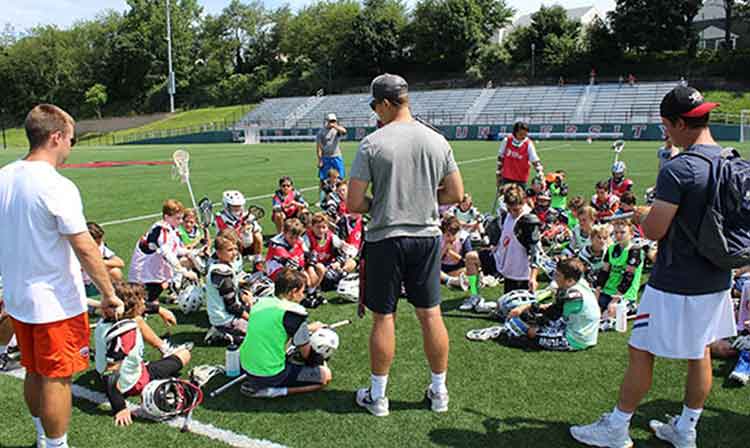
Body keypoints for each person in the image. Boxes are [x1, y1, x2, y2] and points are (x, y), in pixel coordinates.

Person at [570, 86, 736, 448]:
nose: (665, 132)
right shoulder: (729, 159)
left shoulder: (680, 170)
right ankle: (686, 429)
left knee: (641, 350)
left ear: (678, 123)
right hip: (717, 276)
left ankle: (617, 427)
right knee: (700, 352)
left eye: (666, 125)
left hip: (676, 279)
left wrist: (646, 215)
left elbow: (656, 229)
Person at [0, 104, 123, 448]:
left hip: (18, 297)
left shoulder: (4, 175)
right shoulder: (57, 185)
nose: (71, 147)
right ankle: (55, 445)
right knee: (57, 377)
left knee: (34, 370)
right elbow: (85, 247)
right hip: (54, 303)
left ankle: (43, 437)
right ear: (56, 137)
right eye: (70, 139)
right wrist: (109, 294)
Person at [348, 73, 464, 416]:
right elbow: (455, 194)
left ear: (385, 103)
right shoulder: (437, 141)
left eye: (374, 106)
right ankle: (439, 392)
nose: (374, 113)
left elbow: (354, 202)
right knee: (431, 315)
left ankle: (378, 396)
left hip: (386, 238)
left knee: (384, 318)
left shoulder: (373, 143)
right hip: (426, 238)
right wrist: (424, 198)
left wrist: (382, 203)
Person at [94, 282, 191, 427]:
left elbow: (137, 314)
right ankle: (166, 352)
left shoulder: (106, 320)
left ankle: (164, 349)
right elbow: (111, 372)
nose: (144, 303)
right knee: (185, 354)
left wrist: (159, 309)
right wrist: (120, 407)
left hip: (101, 376)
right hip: (132, 383)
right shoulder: (125, 332)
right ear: (133, 306)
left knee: (138, 320)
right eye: (141, 300)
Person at [238, 268, 332, 398]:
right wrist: (320, 360)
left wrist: (308, 328)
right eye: (302, 291)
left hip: (244, 365)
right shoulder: (294, 312)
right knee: (325, 376)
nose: (303, 296)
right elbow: (307, 354)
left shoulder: (260, 303)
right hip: (269, 374)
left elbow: (273, 327)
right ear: (293, 292)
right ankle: (273, 392)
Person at [499, 258, 600, 351]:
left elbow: (552, 314)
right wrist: (527, 307)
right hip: (580, 329)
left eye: (558, 275)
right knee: (529, 319)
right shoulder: (579, 282)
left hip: (576, 340)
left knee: (526, 335)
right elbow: (552, 309)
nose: (555, 278)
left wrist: (535, 325)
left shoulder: (572, 296)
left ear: (570, 281)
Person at [475, 185, 541, 300]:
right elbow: (504, 233)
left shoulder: (528, 220)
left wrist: (533, 277)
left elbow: (535, 251)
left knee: (517, 310)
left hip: (521, 274)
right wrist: (495, 245)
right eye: (510, 208)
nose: (513, 212)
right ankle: (474, 294)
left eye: (516, 209)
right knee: (472, 257)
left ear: (523, 202)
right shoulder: (506, 215)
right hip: (506, 267)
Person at [128, 200, 197, 311]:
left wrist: (191, 252)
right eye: (177, 218)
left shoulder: (170, 228)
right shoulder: (162, 230)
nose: (180, 222)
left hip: (152, 269)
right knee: (139, 306)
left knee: (153, 298)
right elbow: (168, 254)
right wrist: (185, 272)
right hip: (143, 272)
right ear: (167, 217)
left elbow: (175, 249)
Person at [594, 220, 644, 331]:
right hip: (607, 292)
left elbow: (628, 277)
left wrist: (615, 300)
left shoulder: (635, 251)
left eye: (622, 232)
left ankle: (631, 306)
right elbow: (604, 273)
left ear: (631, 234)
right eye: (616, 232)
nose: (619, 235)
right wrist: (597, 293)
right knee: (590, 309)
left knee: (609, 313)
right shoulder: (611, 249)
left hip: (623, 294)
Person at [266, 218, 326, 306]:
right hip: (278, 274)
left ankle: (311, 293)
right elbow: (290, 263)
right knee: (291, 273)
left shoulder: (300, 240)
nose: (294, 240)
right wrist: (306, 276)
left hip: (296, 267)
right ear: (284, 232)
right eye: (291, 237)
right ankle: (298, 299)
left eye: (296, 237)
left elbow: (310, 255)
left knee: (320, 267)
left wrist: (311, 268)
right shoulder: (277, 245)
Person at [206, 236, 253, 342]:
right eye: (230, 250)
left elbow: (233, 290)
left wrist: (244, 296)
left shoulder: (223, 265)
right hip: (226, 319)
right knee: (259, 333)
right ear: (218, 253)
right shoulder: (221, 272)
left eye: (235, 249)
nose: (234, 253)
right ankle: (221, 334)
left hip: (228, 314)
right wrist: (251, 319)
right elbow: (231, 306)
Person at [215, 190, 263, 261]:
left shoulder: (247, 215)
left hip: (249, 245)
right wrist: (240, 230)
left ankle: (258, 260)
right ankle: (236, 260)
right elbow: (224, 236)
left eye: (239, 206)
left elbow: (258, 230)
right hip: (232, 245)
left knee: (258, 236)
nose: (237, 208)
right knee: (235, 240)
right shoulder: (220, 218)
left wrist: (251, 227)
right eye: (234, 206)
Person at [83, 222, 125, 298]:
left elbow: (120, 263)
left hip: (96, 280)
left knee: (115, 272)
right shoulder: (77, 249)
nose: (99, 243)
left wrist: (99, 262)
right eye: (97, 241)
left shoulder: (101, 247)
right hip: (81, 282)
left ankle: (120, 296)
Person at [496, 121, 544, 187]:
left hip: (521, 179)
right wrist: (498, 173)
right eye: (521, 134)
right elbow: (500, 157)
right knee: (503, 197)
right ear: (515, 132)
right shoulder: (507, 140)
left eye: (525, 134)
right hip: (506, 178)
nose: (523, 136)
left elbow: (535, 160)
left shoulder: (528, 144)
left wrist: (540, 172)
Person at [316, 113, 347, 204]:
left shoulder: (337, 130)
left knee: (340, 178)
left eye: (334, 121)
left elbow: (344, 131)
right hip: (326, 158)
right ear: (327, 121)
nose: (332, 123)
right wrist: (320, 160)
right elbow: (319, 147)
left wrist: (335, 126)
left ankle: (341, 198)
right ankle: (322, 199)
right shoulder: (321, 132)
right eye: (330, 121)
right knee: (323, 179)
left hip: (336, 157)